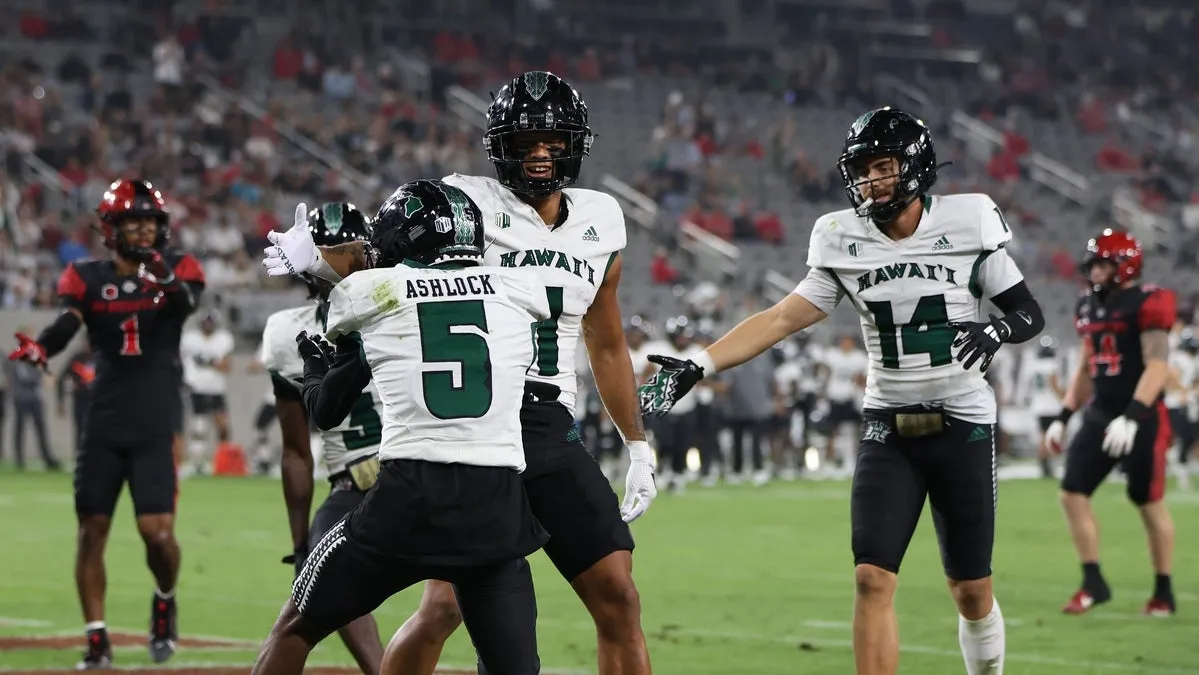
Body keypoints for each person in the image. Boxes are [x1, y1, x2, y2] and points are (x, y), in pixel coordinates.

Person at [262, 71, 655, 675]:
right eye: (525, 141)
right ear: (501, 147)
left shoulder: (601, 219)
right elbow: (390, 255)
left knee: (619, 597)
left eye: (552, 140)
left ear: (575, 143)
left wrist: (637, 444)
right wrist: (321, 259)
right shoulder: (465, 201)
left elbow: (606, 343)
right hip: (477, 423)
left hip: (547, 425)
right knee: (443, 608)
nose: (540, 153)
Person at [638, 107, 1046, 675]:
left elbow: (1028, 312)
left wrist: (997, 329)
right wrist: (699, 364)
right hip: (889, 428)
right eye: (863, 170)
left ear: (915, 166)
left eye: (883, 167)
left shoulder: (969, 221)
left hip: (963, 424)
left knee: (971, 590)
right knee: (871, 577)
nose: (871, 181)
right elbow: (781, 318)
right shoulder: (841, 237)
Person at [250, 179, 550, 675]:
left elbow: (325, 411)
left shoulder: (375, 294)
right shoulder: (520, 290)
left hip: (409, 496)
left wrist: (315, 368)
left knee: (295, 627)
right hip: (495, 504)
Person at [8, 179, 204, 668]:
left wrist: (159, 272)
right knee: (92, 530)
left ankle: (165, 599)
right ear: (111, 228)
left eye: (150, 222)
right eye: (133, 222)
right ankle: (96, 638)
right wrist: (43, 348)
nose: (143, 230)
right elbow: (69, 322)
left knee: (158, 535)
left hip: (154, 421)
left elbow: (186, 304)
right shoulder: (86, 276)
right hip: (105, 421)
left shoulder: (178, 268)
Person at [259, 202, 383, 673]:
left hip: (414, 466)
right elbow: (296, 451)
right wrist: (299, 544)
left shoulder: (394, 305)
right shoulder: (287, 333)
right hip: (353, 483)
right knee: (321, 571)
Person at [1043, 229, 1178, 616]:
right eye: (1094, 265)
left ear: (1125, 266)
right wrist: (1064, 415)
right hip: (1101, 412)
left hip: (1143, 415)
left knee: (1147, 501)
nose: (1096, 272)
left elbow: (1157, 367)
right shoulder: (1087, 305)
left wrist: (1132, 417)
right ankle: (1093, 582)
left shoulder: (1148, 301)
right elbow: (1087, 367)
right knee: (1072, 491)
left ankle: (1163, 591)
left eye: (1103, 264)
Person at [180, 310, 234, 474]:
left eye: (211, 322)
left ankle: (222, 461)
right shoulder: (190, 339)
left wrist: (208, 361)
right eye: (206, 321)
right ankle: (196, 462)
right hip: (196, 387)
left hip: (216, 388)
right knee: (198, 426)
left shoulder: (223, 339)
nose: (208, 324)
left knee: (223, 427)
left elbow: (226, 366)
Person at [1019, 336, 1064, 478]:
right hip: (1051, 405)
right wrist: (1064, 398)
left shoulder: (1034, 366)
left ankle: (1044, 463)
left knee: (1043, 436)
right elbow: (1053, 385)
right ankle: (1047, 464)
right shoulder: (1052, 365)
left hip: (1038, 405)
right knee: (1050, 436)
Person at [57, 339, 96, 453]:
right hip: (80, 398)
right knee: (80, 427)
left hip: (96, 400)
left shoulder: (100, 357)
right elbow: (62, 378)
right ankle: (79, 454)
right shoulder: (77, 358)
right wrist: (61, 400)